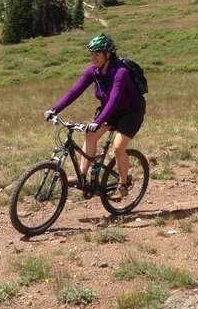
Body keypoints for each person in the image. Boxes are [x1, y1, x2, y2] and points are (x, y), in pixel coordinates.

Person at [44, 34, 146, 199]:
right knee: (90, 134)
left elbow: (114, 100)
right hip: (110, 110)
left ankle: (123, 182)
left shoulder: (120, 72)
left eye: (97, 54)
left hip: (131, 111)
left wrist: (97, 121)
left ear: (108, 54)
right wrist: (54, 109)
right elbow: (74, 92)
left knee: (118, 147)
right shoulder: (93, 72)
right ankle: (82, 177)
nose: (93, 58)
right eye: (91, 54)